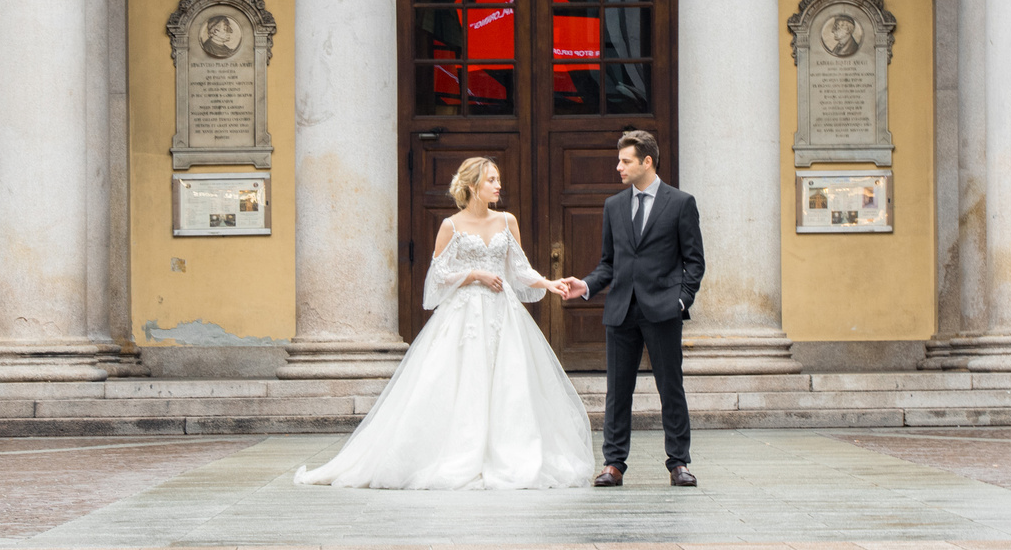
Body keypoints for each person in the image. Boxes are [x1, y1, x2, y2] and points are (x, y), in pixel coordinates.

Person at [295, 157, 590, 490]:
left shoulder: (508, 221)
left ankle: (509, 451)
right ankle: (453, 451)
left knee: (509, 380)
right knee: (460, 379)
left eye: (498, 179)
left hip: (502, 313)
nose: (498, 185)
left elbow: (520, 270)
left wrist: (549, 284)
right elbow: (437, 277)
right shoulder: (451, 225)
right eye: (491, 180)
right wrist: (473, 274)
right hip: (465, 315)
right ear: (471, 186)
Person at [563, 129, 704, 488]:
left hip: (663, 309)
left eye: (625, 161)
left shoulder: (681, 203)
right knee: (617, 390)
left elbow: (694, 261)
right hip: (621, 309)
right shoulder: (613, 206)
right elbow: (608, 263)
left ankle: (679, 462)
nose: (618, 167)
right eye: (619, 160)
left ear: (647, 162)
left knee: (670, 387)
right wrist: (587, 285)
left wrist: (681, 299)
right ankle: (613, 463)